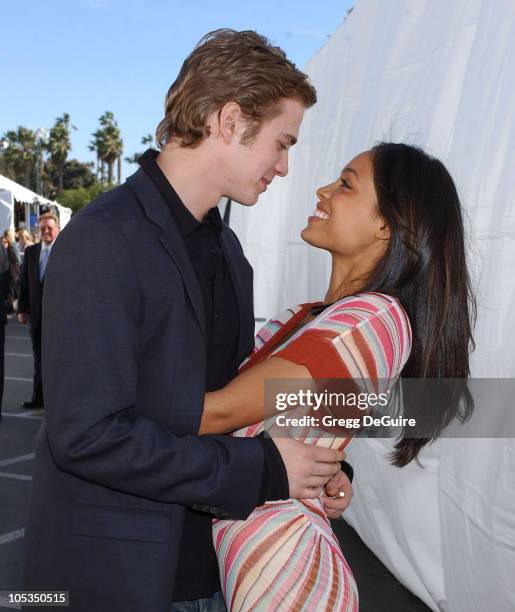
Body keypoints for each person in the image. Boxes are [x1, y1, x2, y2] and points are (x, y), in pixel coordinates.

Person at [23, 30, 351, 612]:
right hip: (118, 579)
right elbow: (87, 436)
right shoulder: (103, 239)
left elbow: (223, 403)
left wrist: (315, 465)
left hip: (213, 570)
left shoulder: (228, 251)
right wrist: (266, 469)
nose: (283, 165)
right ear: (228, 121)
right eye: (280, 142)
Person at [197, 143, 475, 610]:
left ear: (387, 223)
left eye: (346, 184)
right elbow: (301, 420)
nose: (323, 191)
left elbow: (221, 412)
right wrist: (332, 466)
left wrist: (107, 409)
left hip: (289, 579)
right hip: (257, 563)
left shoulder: (374, 319)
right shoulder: (308, 316)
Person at [17, 213, 60, 409]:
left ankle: (57, 402)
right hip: (36, 317)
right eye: (42, 228)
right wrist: (22, 308)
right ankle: (38, 398)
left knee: (58, 360)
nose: (45, 232)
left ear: (57, 229)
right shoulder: (32, 252)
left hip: (59, 319)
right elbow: (24, 283)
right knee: (39, 360)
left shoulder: (65, 251)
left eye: (49, 228)